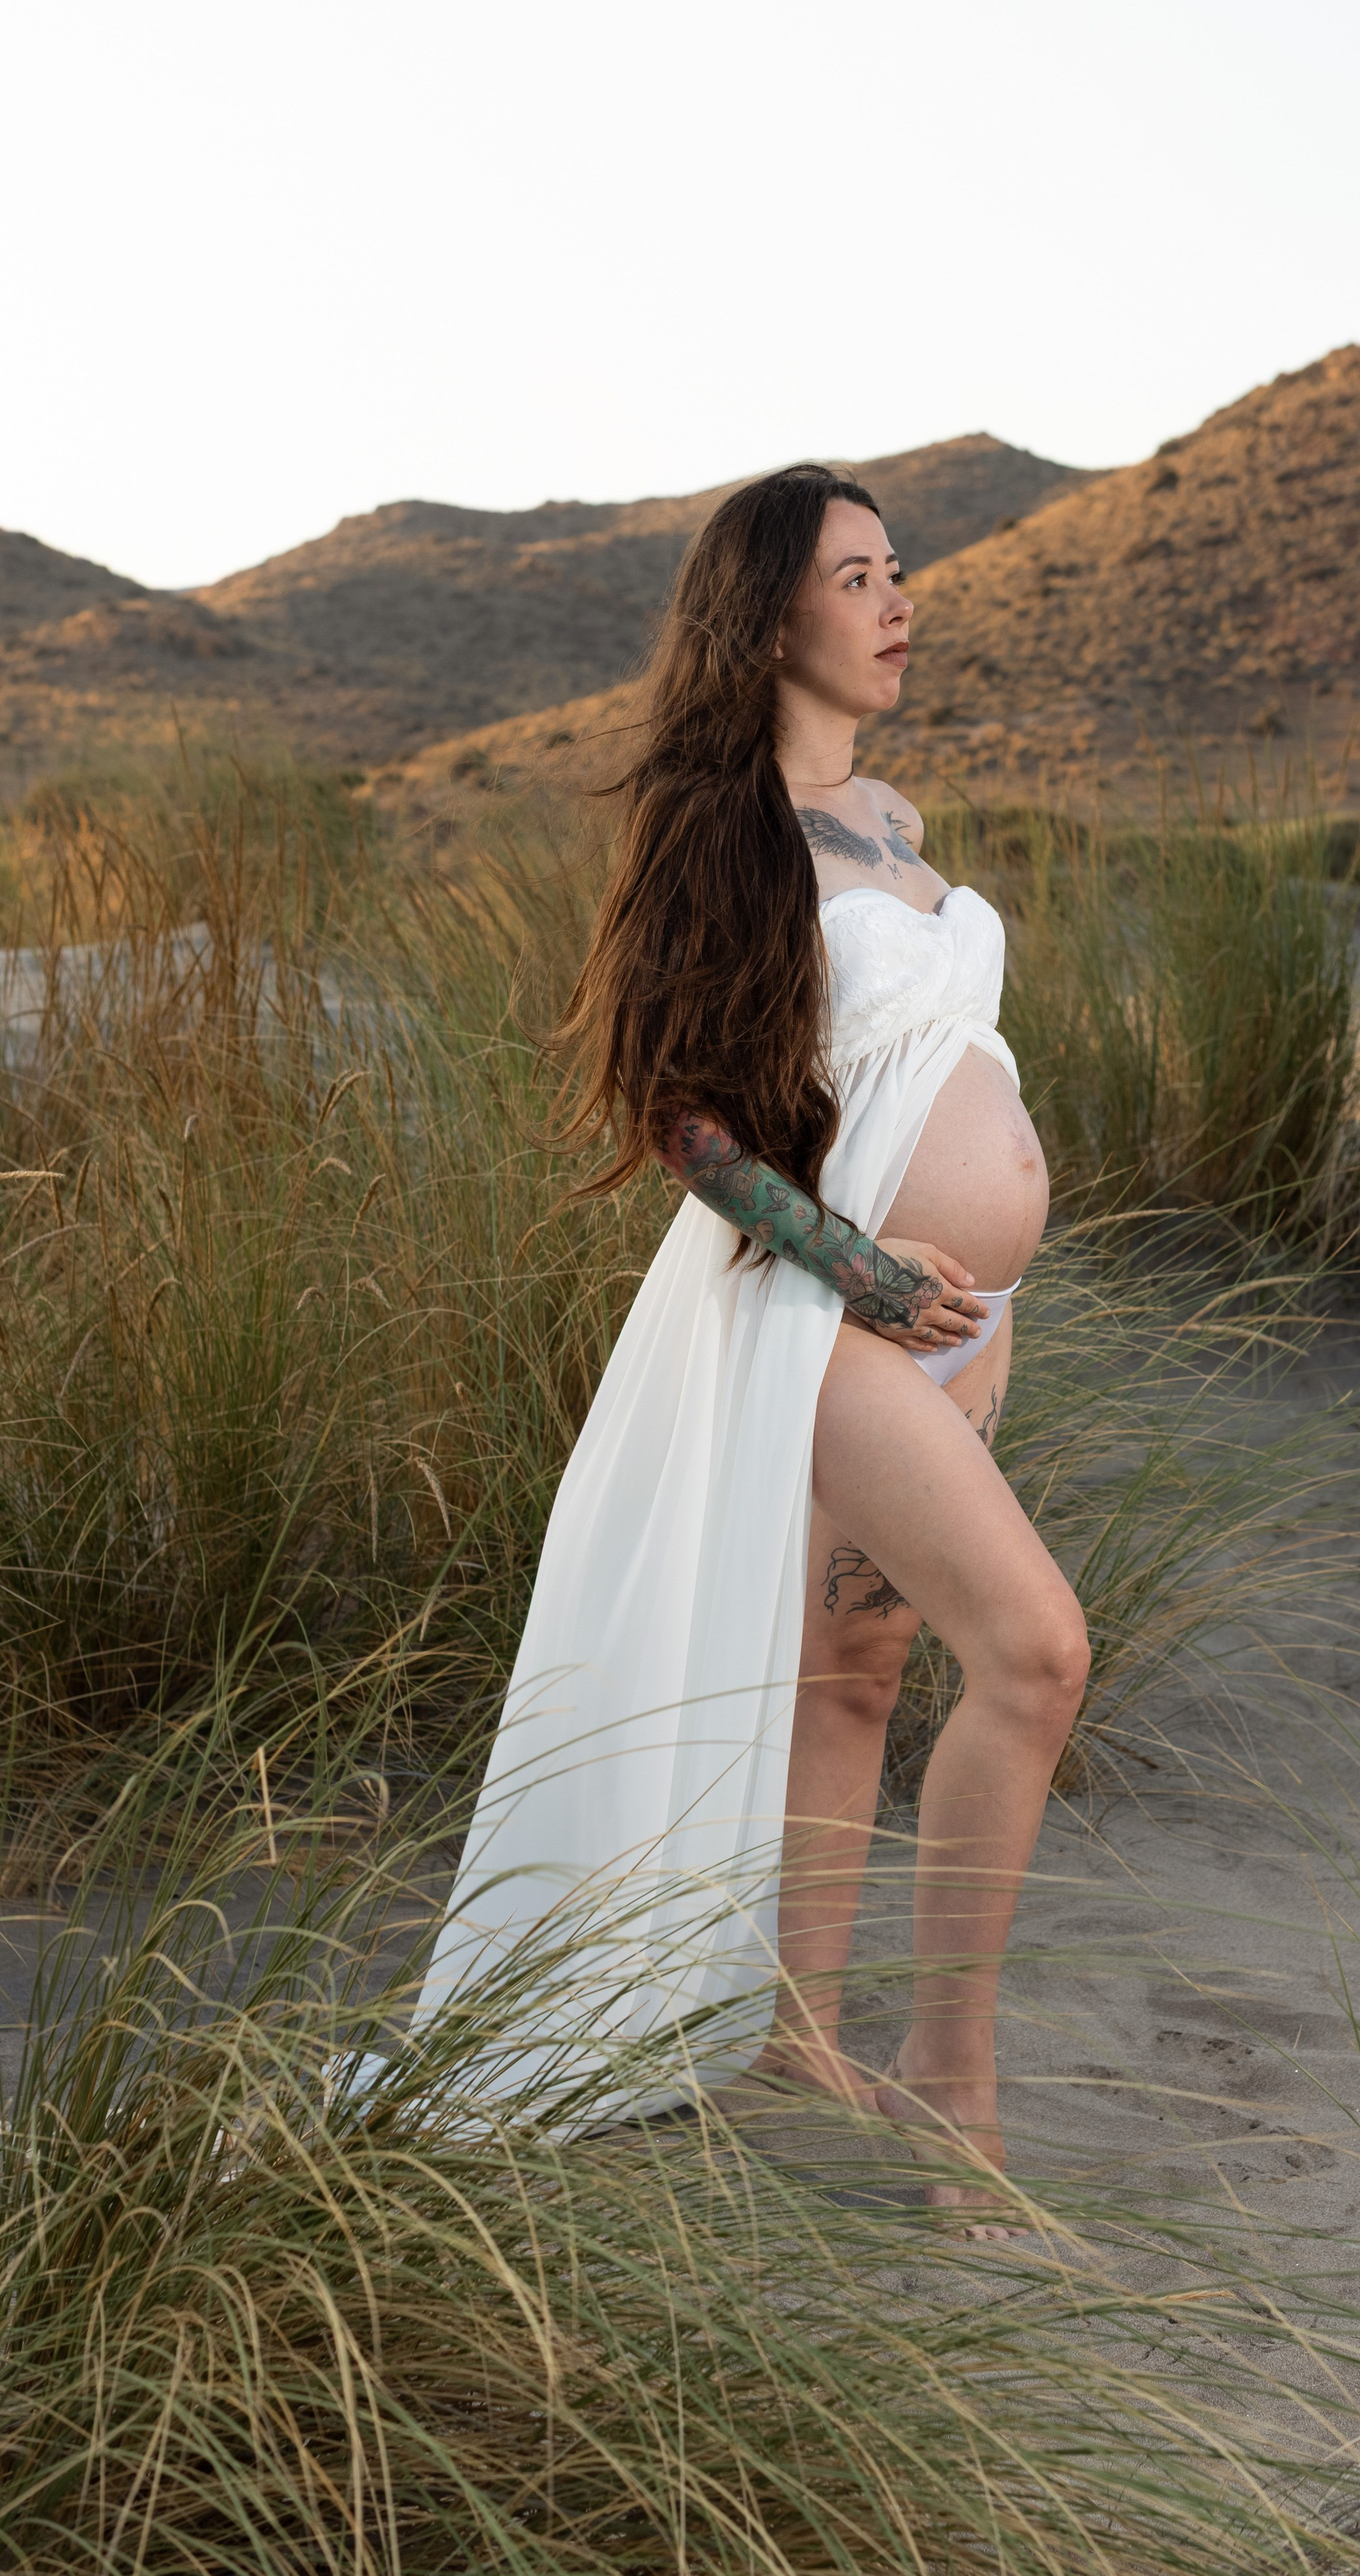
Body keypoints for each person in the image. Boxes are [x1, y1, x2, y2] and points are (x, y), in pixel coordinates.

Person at [412, 464, 1088, 2228]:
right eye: (855, 577)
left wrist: (962, 1297)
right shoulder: (717, 823)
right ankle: (951, 2092)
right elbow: (679, 1115)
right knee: (1034, 1656)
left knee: (853, 1669)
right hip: (823, 1310)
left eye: (895, 569)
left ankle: (793, 2035)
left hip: (953, 1321)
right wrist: (854, 1268)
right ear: (767, 615)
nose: (897, 601)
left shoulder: (894, 814)